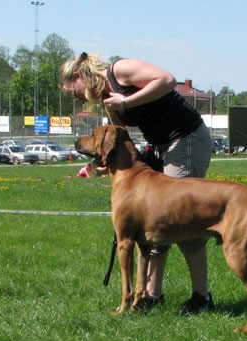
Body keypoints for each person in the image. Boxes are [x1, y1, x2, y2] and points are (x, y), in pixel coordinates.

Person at [60, 52, 214, 313]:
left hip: (186, 139)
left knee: (182, 218)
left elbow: (167, 80)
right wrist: (104, 158)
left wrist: (127, 100)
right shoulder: (109, 101)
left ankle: (202, 297)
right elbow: (122, 138)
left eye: (74, 92)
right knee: (154, 223)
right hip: (160, 146)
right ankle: (151, 295)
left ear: (78, 75)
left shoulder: (120, 71)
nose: (77, 98)